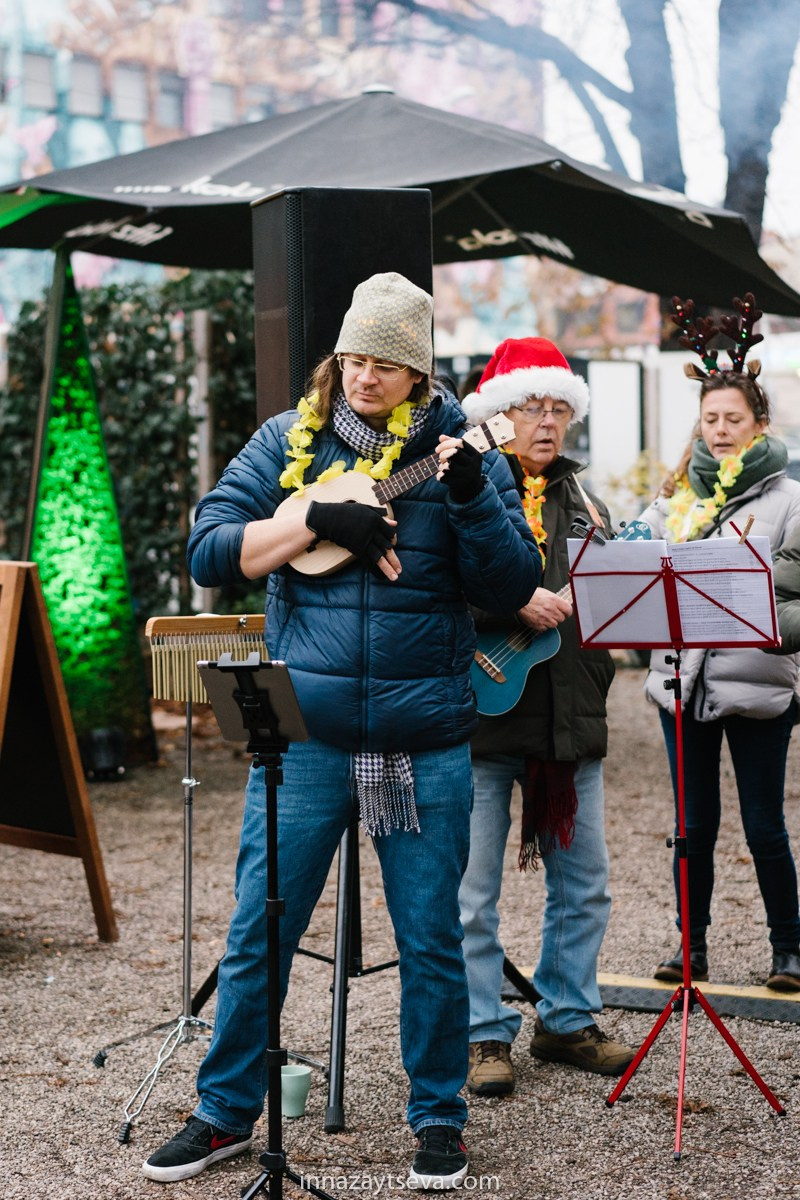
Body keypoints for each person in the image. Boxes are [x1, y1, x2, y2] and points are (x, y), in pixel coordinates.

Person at [142, 272, 540, 1187]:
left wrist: (478, 494)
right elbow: (209, 549)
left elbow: (514, 585)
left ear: (418, 376)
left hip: (423, 738)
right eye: (355, 360)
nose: (366, 378)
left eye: (387, 365)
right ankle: (223, 1112)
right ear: (337, 361)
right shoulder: (287, 441)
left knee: (430, 935)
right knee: (259, 931)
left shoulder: (453, 453)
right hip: (307, 741)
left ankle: (438, 1116)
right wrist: (316, 513)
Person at [456, 337, 636, 1096]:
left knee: (586, 882)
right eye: (533, 405)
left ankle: (566, 1020)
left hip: (566, 721)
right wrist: (508, 601)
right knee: (469, 891)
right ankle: (480, 1035)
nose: (548, 421)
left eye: (561, 407)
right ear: (499, 413)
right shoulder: (460, 490)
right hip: (481, 716)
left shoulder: (591, 503)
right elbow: (433, 592)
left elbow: (615, 610)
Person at [637, 307, 800, 992]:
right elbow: (634, 569)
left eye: (734, 420)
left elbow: (793, 593)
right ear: (698, 425)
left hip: (758, 683)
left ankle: (789, 951)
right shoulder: (675, 498)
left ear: (758, 425)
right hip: (683, 682)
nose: (722, 431)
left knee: (764, 823)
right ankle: (689, 945)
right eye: (711, 421)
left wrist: (748, 605)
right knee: (690, 825)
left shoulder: (790, 499)